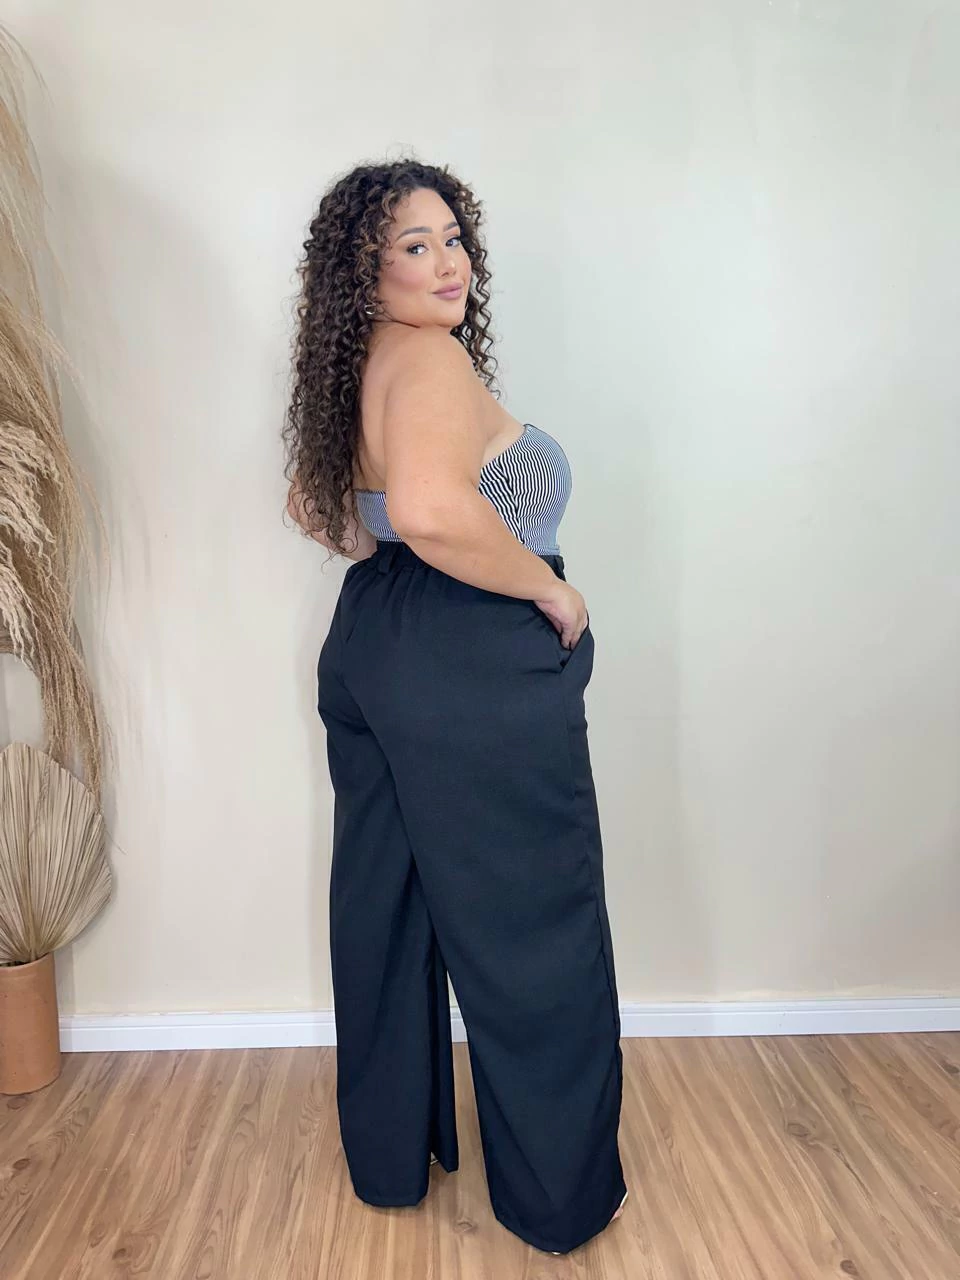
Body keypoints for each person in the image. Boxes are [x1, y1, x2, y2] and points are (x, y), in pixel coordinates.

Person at [283, 157, 627, 1256]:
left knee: (383, 907)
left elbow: (326, 512)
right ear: (365, 270)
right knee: (535, 922)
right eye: (414, 245)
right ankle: (559, 1201)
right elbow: (432, 510)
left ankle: (390, 1161)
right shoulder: (430, 359)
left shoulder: (359, 366)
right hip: (471, 654)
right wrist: (550, 590)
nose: (448, 264)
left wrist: (403, 557)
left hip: (375, 643)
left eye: (453, 239)